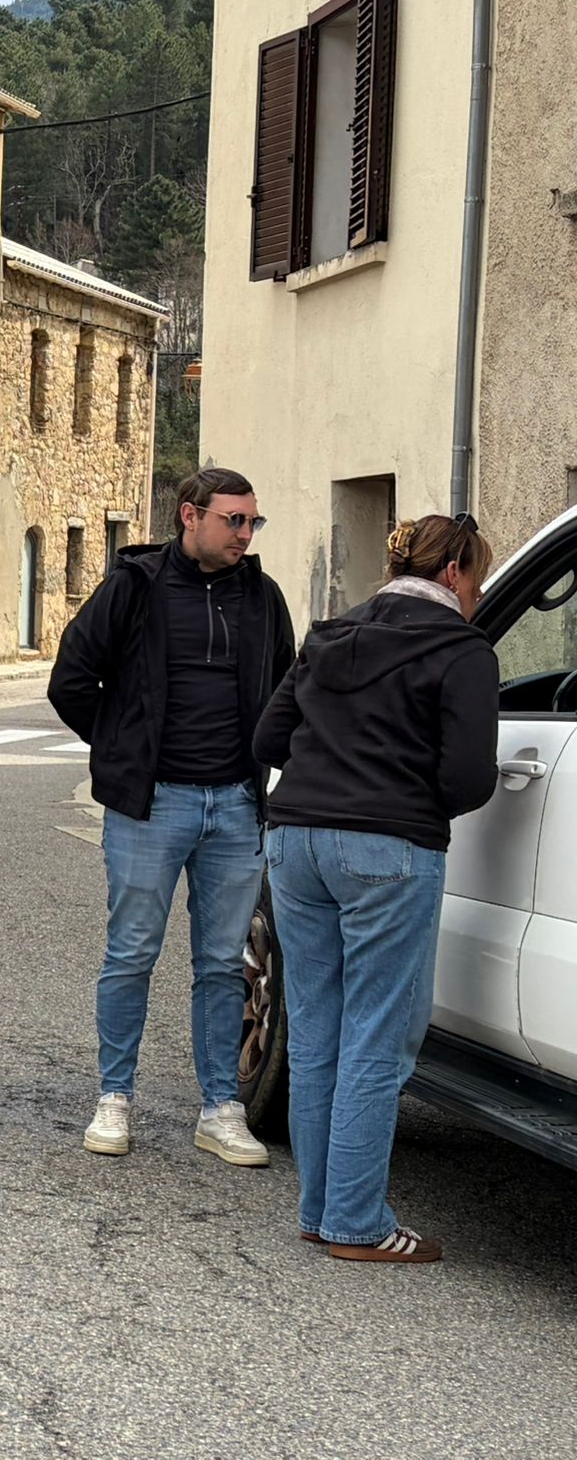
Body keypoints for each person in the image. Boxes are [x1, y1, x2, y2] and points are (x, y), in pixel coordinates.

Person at [254, 514, 498, 1263]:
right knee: (376, 1037)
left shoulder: (331, 634)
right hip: (387, 848)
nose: (478, 594)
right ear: (453, 572)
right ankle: (358, 1223)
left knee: (316, 1030)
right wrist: (404, 796)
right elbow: (468, 779)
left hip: (294, 839)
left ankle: (321, 1211)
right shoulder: (461, 649)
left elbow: (268, 740)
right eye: (479, 579)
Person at [48, 466, 295, 1164]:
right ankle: (114, 1098)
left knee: (222, 963)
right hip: (152, 804)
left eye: (252, 522)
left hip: (236, 805)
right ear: (190, 515)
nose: (245, 534)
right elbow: (71, 679)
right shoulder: (136, 587)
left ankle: (220, 1108)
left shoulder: (263, 597)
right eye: (233, 520)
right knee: (131, 953)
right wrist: (123, 748)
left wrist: (265, 765)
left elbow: (286, 686)